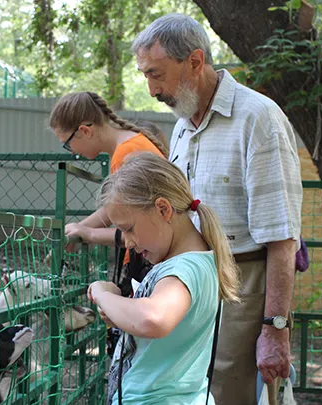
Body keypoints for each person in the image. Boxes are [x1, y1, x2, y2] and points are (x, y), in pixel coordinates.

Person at [130, 13, 303, 405]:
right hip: (193, 282)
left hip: (244, 284)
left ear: (194, 61)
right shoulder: (182, 125)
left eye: (156, 74)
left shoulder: (258, 119)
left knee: (231, 394)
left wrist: (275, 329)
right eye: (145, 75)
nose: (151, 89)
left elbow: (282, 238)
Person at [87, 151, 240, 405]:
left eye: (129, 228)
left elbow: (152, 319)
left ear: (163, 209)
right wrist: (119, 310)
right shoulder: (189, 263)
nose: (128, 243)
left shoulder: (184, 268)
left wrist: (102, 294)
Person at [49, 91, 168, 295]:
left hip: (150, 260)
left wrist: (90, 233)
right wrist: (78, 229)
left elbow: (142, 229)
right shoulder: (127, 148)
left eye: (67, 143)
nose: (71, 151)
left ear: (85, 131)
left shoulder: (128, 153)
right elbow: (116, 210)